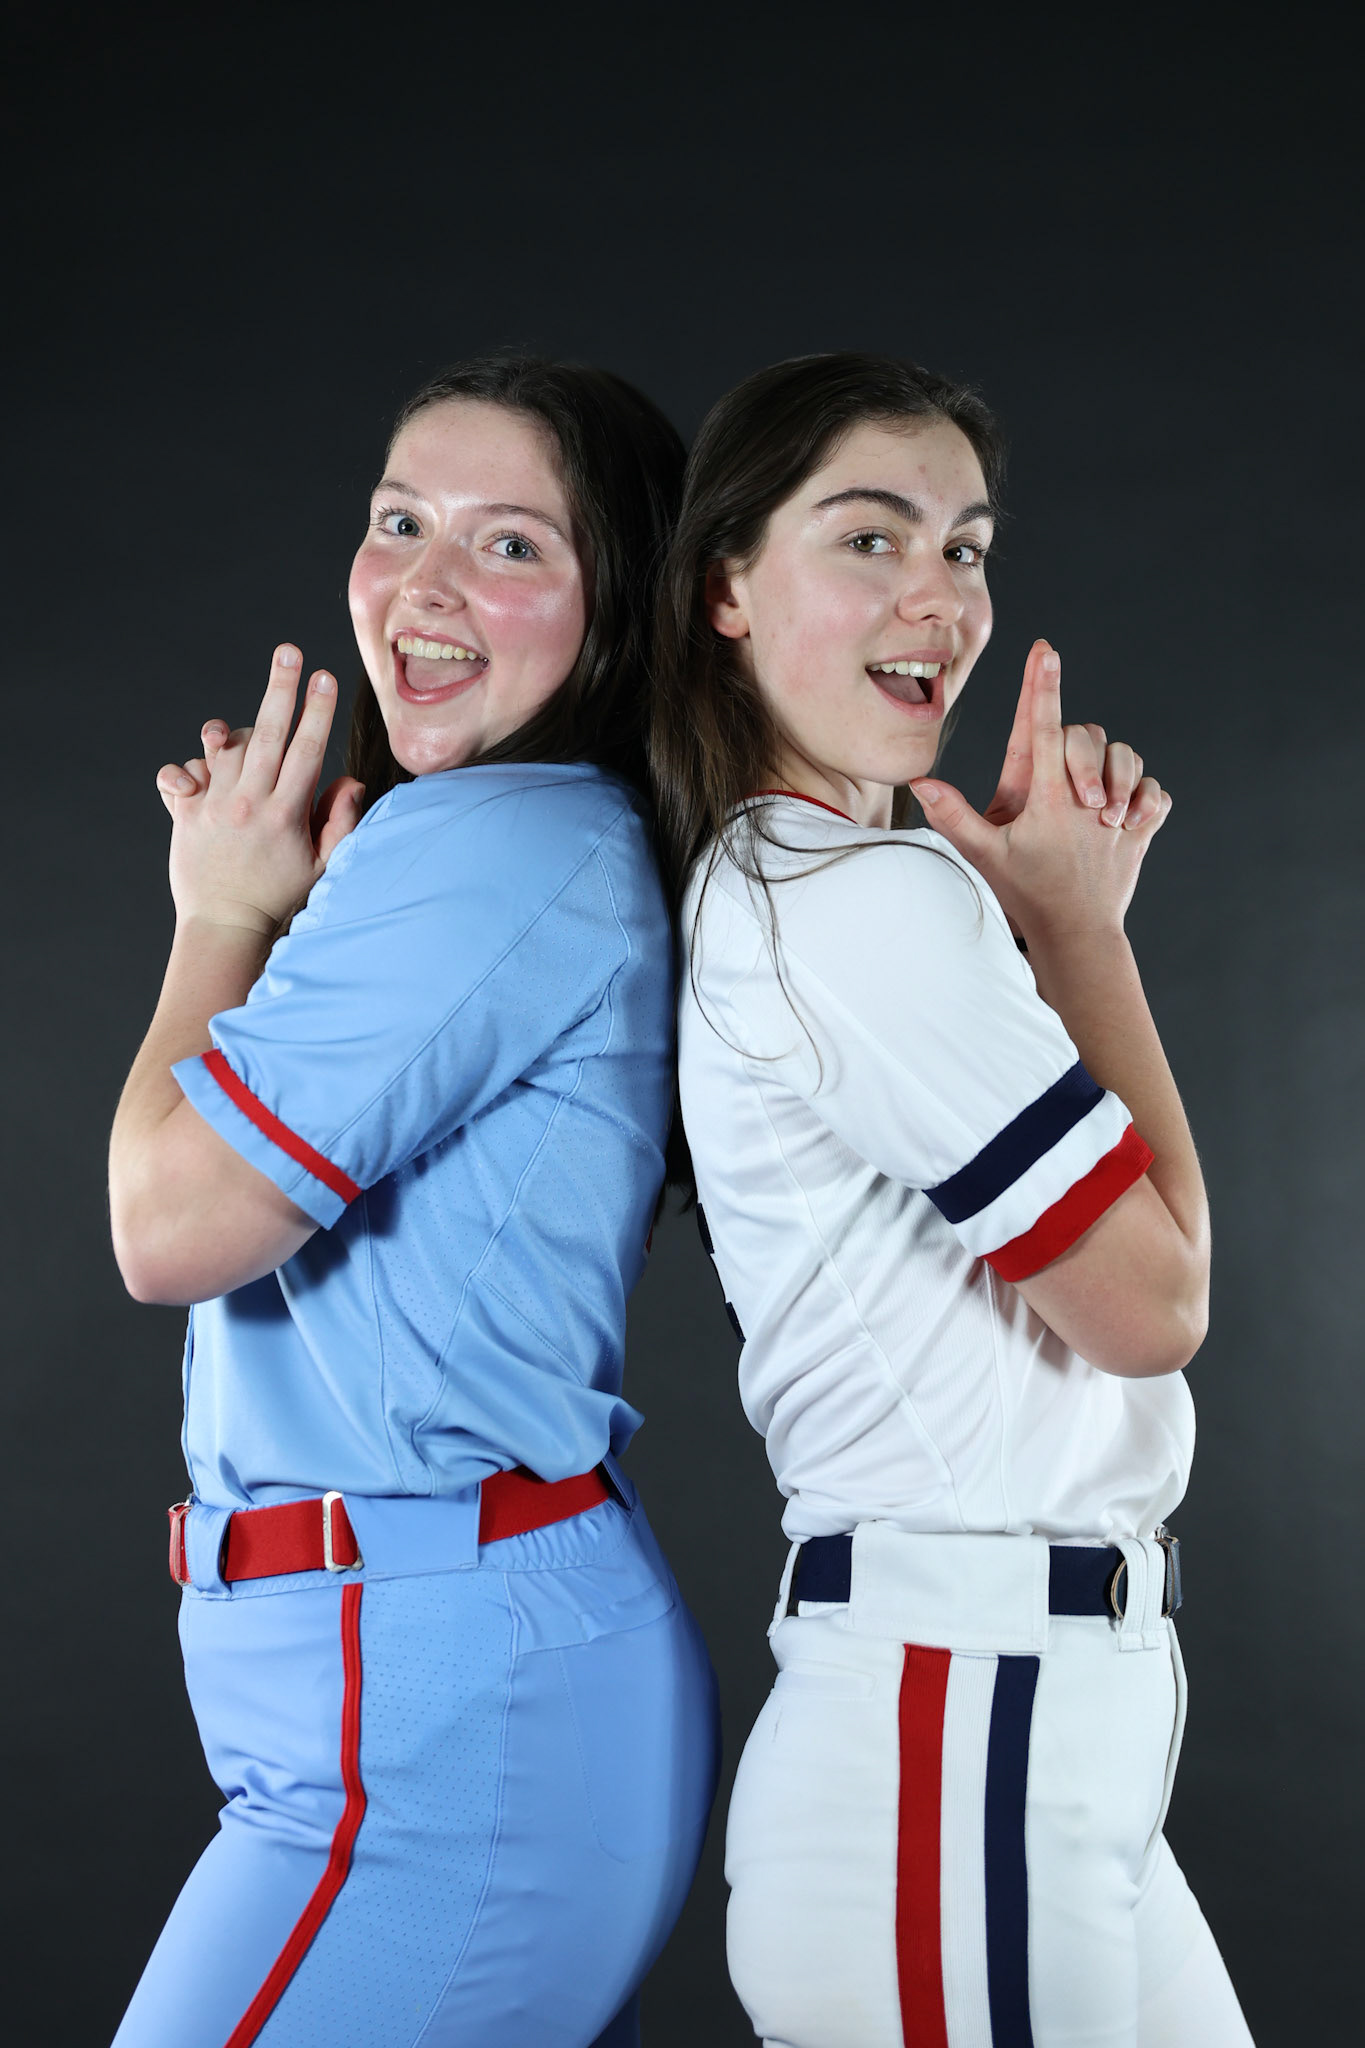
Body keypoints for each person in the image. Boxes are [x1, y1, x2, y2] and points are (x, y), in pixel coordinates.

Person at [108, 354, 718, 2048]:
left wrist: (217, 912)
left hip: (442, 1726)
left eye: (511, 544)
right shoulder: (487, 835)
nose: (426, 584)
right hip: (437, 1686)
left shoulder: (500, 843)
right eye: (398, 522)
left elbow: (170, 1227)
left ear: (614, 616)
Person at [649, 351, 1253, 2047]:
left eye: (967, 548)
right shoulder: (854, 897)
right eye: (869, 537)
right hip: (957, 1727)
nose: (937, 596)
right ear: (725, 590)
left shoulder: (798, 880)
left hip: (1029, 1721)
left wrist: (1054, 926)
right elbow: (1155, 1307)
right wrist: (1076, 926)